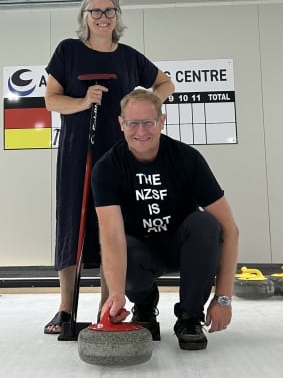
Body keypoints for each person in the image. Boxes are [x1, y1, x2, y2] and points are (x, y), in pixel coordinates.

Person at [43, 0, 174, 335]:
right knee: (72, 225)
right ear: (84, 17)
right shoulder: (68, 52)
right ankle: (65, 309)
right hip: (76, 153)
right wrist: (83, 101)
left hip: (119, 157)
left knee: (114, 229)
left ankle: (109, 305)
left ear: (117, 17)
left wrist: (145, 104)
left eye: (109, 11)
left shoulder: (130, 58)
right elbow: (51, 100)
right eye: (95, 11)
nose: (102, 17)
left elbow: (166, 84)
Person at [91, 89, 239, 350]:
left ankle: (189, 317)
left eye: (148, 122)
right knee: (124, 246)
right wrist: (116, 294)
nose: (141, 131)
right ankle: (145, 303)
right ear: (121, 124)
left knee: (206, 224)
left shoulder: (187, 159)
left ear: (162, 121)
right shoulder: (107, 168)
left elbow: (230, 229)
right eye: (133, 123)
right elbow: (112, 236)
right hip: (140, 251)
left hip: (182, 246)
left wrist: (224, 298)